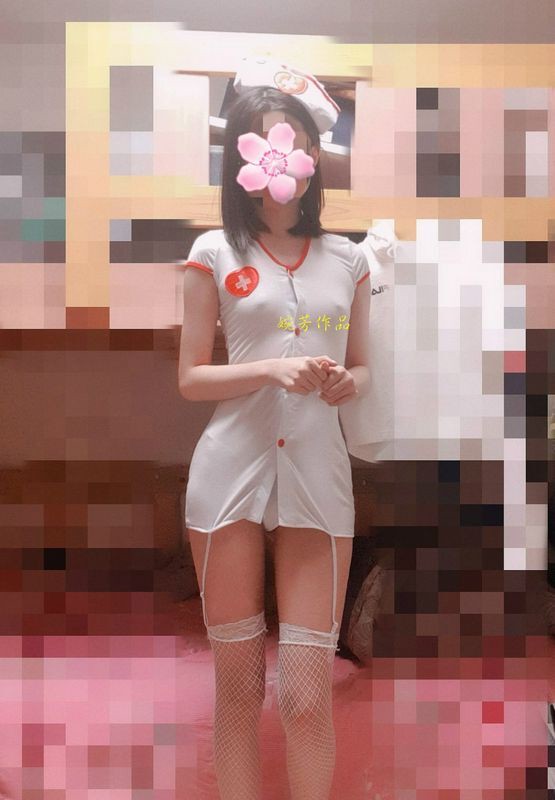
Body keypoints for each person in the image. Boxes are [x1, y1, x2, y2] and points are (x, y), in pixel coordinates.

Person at [178, 56, 372, 800]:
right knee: (237, 690)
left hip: (319, 476)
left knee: (305, 696)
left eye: (289, 139)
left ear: (311, 154)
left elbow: (360, 365)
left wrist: (343, 382)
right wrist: (268, 370)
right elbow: (191, 378)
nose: (276, 154)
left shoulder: (348, 260)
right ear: (240, 157)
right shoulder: (212, 253)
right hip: (228, 473)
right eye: (257, 140)